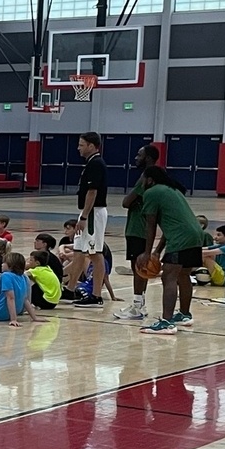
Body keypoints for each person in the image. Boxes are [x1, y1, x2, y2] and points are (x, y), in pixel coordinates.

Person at [136, 166, 205, 334]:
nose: (141, 182)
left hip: (181, 237)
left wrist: (146, 253)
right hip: (196, 235)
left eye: (143, 179)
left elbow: (150, 226)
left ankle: (166, 322)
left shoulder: (151, 193)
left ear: (150, 180)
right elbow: (169, 226)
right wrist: (157, 251)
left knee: (169, 276)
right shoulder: (171, 191)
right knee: (183, 275)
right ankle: (184, 315)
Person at [115, 144, 160, 321]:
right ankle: (140, 304)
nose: (135, 157)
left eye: (139, 155)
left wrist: (130, 199)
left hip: (138, 228)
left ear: (148, 158)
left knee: (138, 268)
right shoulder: (152, 176)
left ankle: (136, 306)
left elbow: (126, 202)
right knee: (142, 269)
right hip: (139, 228)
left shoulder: (146, 177)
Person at [65, 131, 109, 307]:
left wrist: (84, 217)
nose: (78, 148)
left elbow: (92, 192)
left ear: (92, 146)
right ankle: (70, 289)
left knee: (95, 254)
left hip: (92, 213)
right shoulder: (90, 163)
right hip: (86, 212)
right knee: (78, 251)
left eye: (81, 145)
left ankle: (96, 295)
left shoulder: (96, 163)